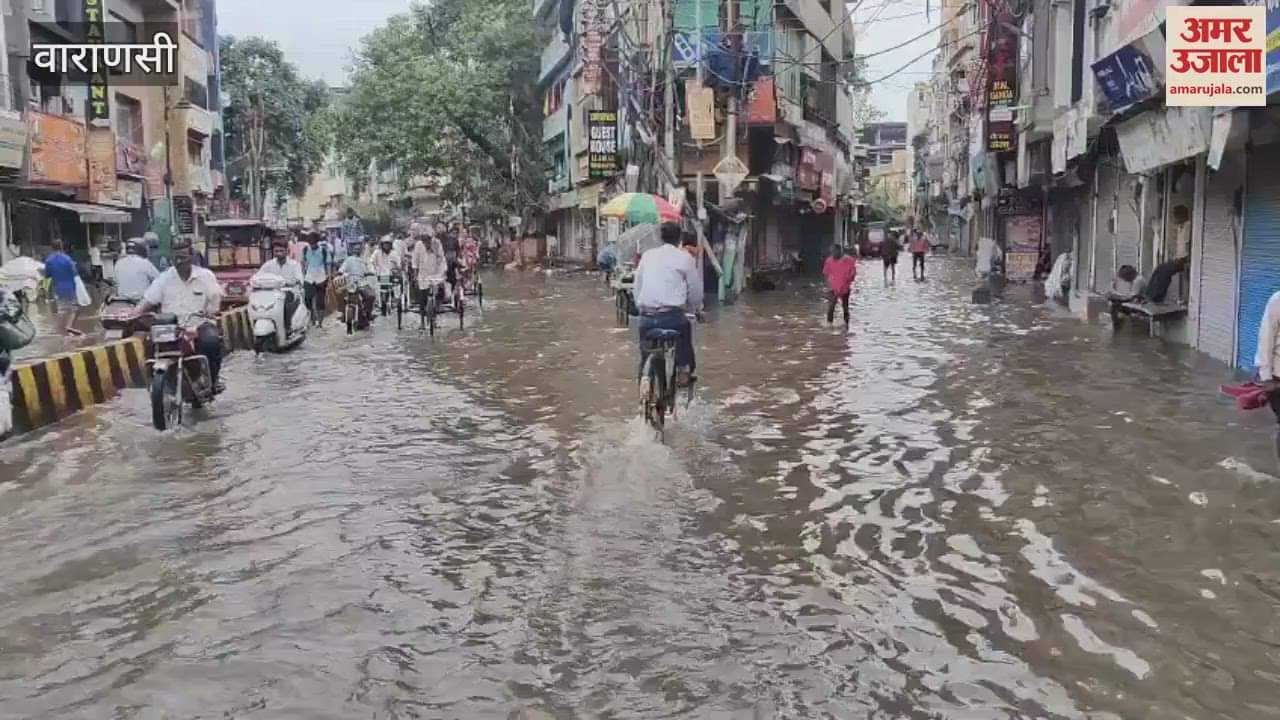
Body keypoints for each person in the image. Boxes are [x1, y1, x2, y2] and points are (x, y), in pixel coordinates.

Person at [139, 244, 225, 392]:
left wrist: (212, 312)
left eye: (183, 257)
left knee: (211, 341)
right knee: (149, 343)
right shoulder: (165, 277)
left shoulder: (205, 276)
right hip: (171, 328)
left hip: (199, 324)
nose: (179, 261)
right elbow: (149, 300)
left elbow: (215, 299)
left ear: (191, 258)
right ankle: (154, 382)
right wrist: (135, 312)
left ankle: (212, 380)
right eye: (176, 258)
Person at [634, 222, 703, 386]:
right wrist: (695, 309)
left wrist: (641, 307)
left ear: (660, 237)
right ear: (680, 239)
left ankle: (643, 372)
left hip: (646, 317)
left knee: (645, 350)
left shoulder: (647, 256)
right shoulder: (685, 258)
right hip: (672, 318)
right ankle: (683, 371)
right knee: (684, 330)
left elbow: (637, 287)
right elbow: (695, 292)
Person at [256, 239, 304, 336]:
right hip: (272, 293)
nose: (278, 253)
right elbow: (258, 276)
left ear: (287, 251)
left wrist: (294, 282)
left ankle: (287, 326)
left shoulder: (294, 265)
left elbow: (299, 279)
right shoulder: (268, 265)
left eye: (281, 251)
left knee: (285, 303)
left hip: (289, 292)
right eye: (276, 251)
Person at [44, 239, 83, 337]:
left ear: (52, 248)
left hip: (57, 287)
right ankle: (69, 326)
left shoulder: (49, 260)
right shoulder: (67, 259)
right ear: (61, 247)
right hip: (70, 287)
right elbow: (75, 272)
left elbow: (47, 275)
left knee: (61, 309)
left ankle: (60, 331)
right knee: (74, 309)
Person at [338, 241, 376, 326]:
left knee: (371, 296)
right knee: (341, 294)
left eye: (359, 249)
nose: (357, 250)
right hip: (351, 283)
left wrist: (370, 272)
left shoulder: (364, 260)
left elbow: (370, 269)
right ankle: (344, 313)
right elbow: (341, 269)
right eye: (355, 249)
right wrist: (340, 273)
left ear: (361, 250)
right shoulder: (348, 259)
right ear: (352, 250)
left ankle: (366, 312)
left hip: (362, 282)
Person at [412, 228, 448, 309]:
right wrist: (415, 275)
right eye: (424, 240)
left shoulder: (437, 243)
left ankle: (439, 304)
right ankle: (422, 311)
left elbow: (442, 258)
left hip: (436, 271)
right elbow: (415, 261)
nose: (426, 242)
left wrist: (444, 271)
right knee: (422, 296)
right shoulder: (418, 245)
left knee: (439, 289)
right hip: (423, 273)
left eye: (428, 239)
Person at [301, 232, 331, 327]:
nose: (312, 245)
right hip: (309, 277)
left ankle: (320, 321)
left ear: (317, 242)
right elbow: (303, 262)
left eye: (313, 243)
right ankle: (312, 319)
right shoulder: (305, 250)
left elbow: (328, 264)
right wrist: (303, 274)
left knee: (320, 301)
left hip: (321, 277)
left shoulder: (324, 250)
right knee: (307, 299)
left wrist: (329, 277)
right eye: (310, 243)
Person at [823, 243, 857, 325]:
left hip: (844, 288)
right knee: (831, 307)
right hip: (833, 288)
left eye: (834, 252)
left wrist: (846, 283)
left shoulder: (849, 260)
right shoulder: (829, 261)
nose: (832, 254)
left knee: (845, 307)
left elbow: (852, 274)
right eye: (831, 252)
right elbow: (826, 273)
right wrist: (829, 285)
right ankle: (829, 325)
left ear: (839, 251)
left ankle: (846, 325)